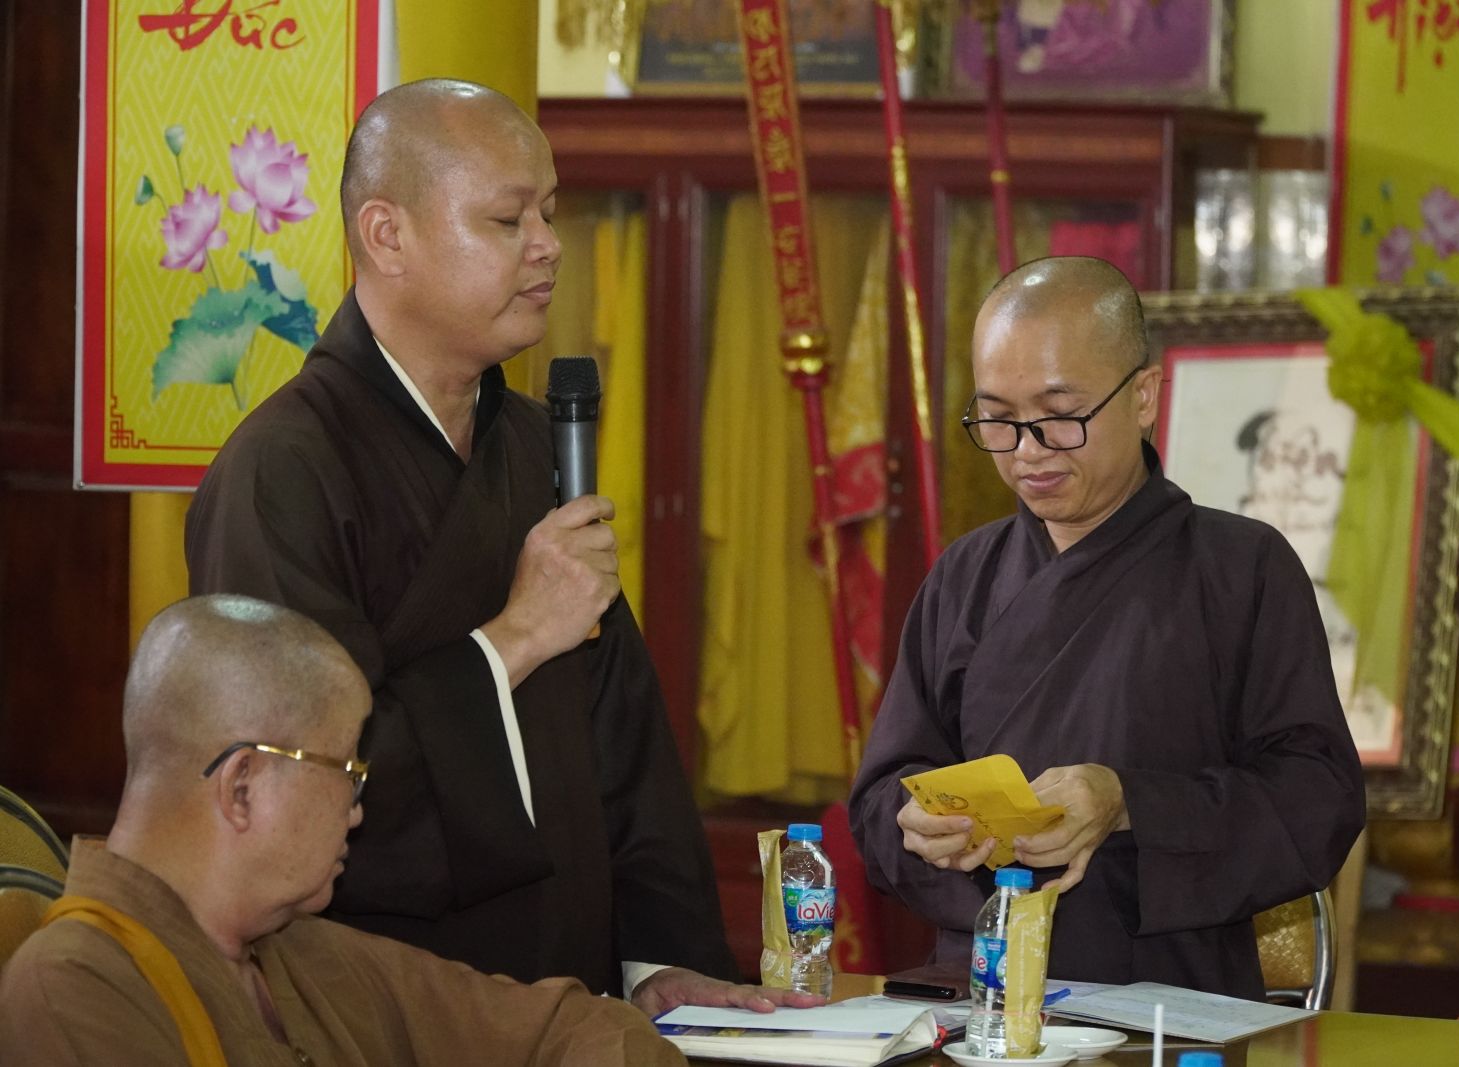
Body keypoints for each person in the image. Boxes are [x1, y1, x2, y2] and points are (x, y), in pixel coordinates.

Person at [185, 79, 803, 1014]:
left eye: (549, 212)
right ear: (387, 236)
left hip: (571, 990)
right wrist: (511, 640)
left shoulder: (532, 441)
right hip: (381, 999)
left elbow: (623, 732)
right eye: (509, 219)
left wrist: (658, 960)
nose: (548, 244)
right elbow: (291, 781)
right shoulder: (282, 472)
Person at [847, 257, 1366, 999]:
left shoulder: (1242, 570)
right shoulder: (964, 576)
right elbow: (878, 801)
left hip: (1171, 1006)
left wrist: (1129, 804)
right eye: (998, 419)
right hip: (982, 1000)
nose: (1028, 450)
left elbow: (1319, 799)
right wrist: (917, 823)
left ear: (1144, 396)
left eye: (1060, 414)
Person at [0, 595, 685, 1065]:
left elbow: (580, 1028)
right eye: (346, 771)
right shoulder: (74, 985)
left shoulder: (303, 951)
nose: (358, 808)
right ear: (242, 786)